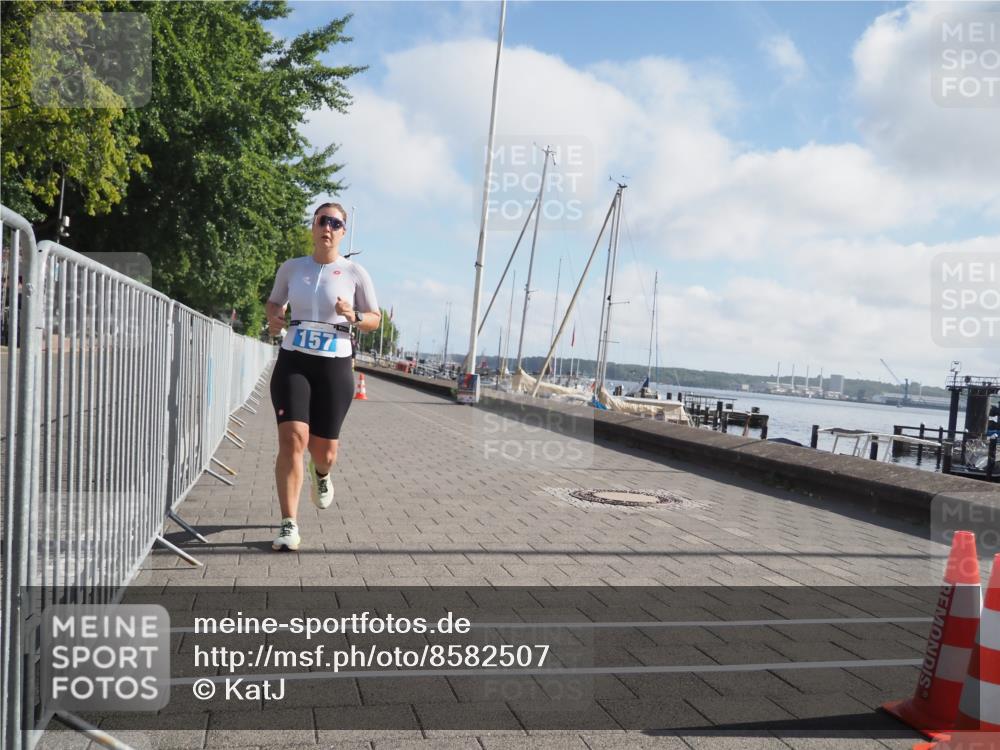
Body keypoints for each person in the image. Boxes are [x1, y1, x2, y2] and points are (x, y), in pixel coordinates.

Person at [265, 203, 380, 551]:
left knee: (324, 452)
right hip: (294, 359)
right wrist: (275, 316)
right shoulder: (292, 268)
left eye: (335, 223)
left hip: (334, 365)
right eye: (322, 220)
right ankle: (288, 524)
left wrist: (354, 314)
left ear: (343, 232)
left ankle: (323, 475)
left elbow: (376, 318)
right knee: (292, 439)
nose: (328, 227)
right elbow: (273, 303)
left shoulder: (355, 272)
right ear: (314, 226)